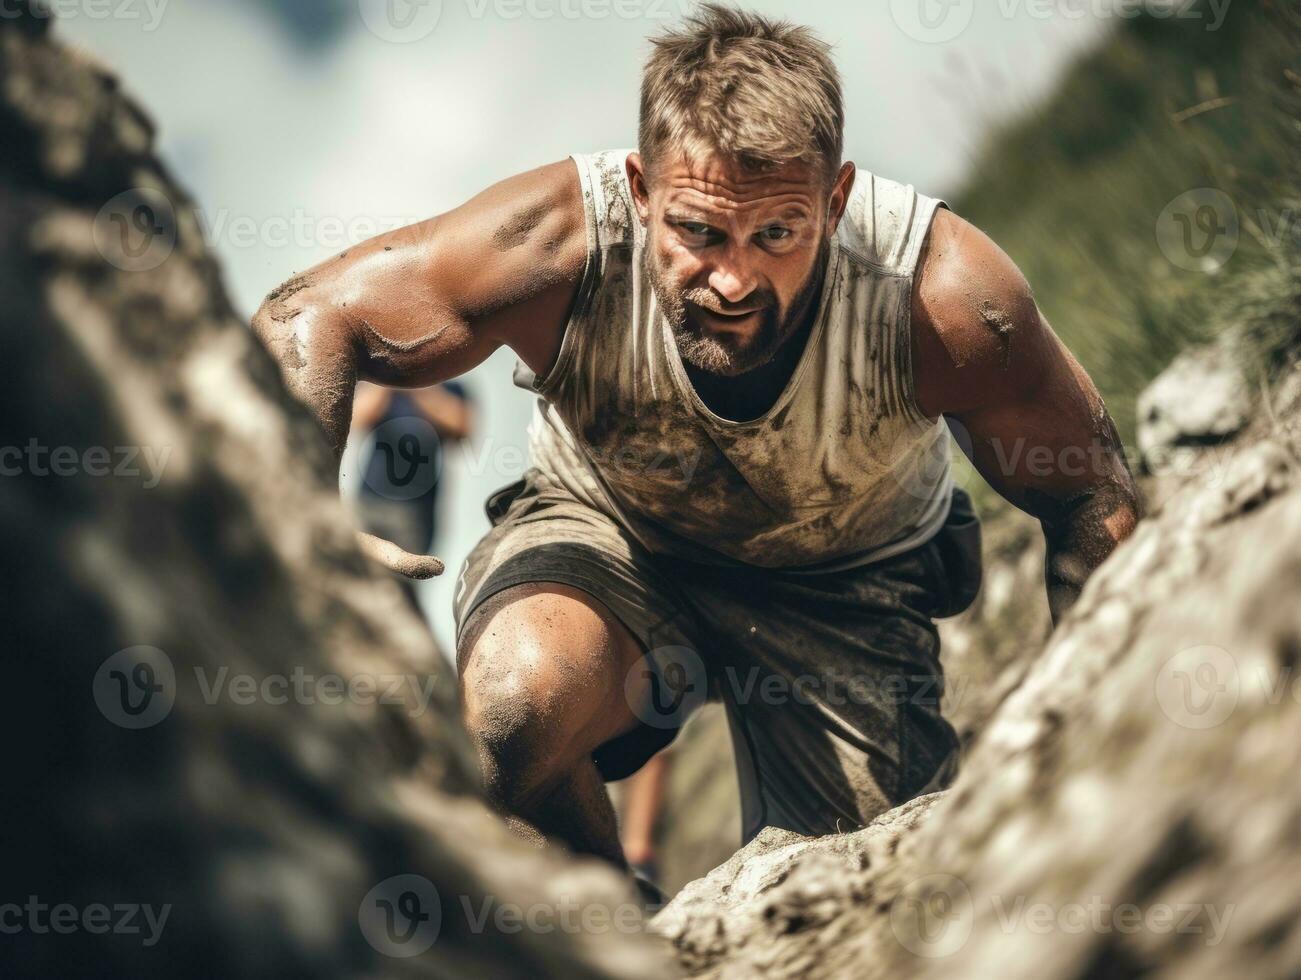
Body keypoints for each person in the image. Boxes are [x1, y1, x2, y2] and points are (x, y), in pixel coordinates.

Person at [253, 5, 1139, 876]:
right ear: (640, 193)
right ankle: (611, 938)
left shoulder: (939, 297)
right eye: (697, 232)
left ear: (835, 201)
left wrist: (1090, 730)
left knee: (885, 874)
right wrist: (292, 504)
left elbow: (1090, 494)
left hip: (844, 583)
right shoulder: (557, 241)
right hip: (608, 533)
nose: (731, 279)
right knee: (511, 715)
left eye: (777, 234)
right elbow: (310, 312)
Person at [348, 381, 472, 609]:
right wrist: (387, 380)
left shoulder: (452, 389)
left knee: (402, 594)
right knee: (354, 579)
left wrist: (417, 383)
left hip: (415, 514)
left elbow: (460, 426)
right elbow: (358, 419)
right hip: (368, 503)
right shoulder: (382, 386)